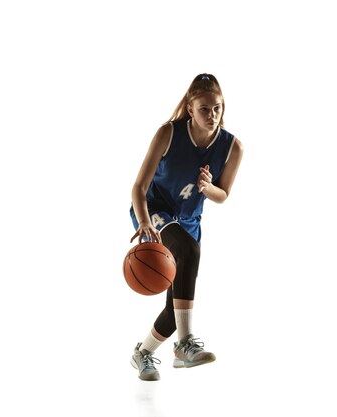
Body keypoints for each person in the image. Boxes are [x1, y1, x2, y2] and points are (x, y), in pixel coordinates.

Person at [129, 73, 244, 381]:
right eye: (205, 109)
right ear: (191, 109)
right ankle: (184, 345)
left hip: (189, 221)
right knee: (190, 251)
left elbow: (224, 195)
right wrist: (143, 221)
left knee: (175, 307)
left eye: (217, 108)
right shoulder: (168, 133)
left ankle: (143, 353)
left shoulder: (232, 147)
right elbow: (138, 187)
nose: (213, 115)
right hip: (155, 213)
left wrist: (208, 187)